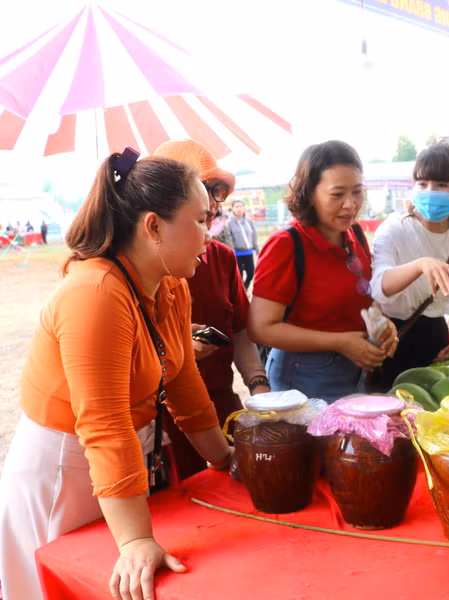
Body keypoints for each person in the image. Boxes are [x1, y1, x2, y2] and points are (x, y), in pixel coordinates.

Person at [0, 150, 233, 600]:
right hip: (66, 471)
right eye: (201, 220)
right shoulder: (96, 292)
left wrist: (224, 458)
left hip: (115, 468)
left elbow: (184, 384)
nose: (210, 233)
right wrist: (136, 539)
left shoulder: (171, 286)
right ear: (153, 226)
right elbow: (104, 424)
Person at [153, 140, 270, 480]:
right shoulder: (137, 276)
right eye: (200, 215)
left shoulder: (222, 258)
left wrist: (258, 385)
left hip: (218, 401)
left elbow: (240, 327)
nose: (213, 212)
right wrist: (179, 353)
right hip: (162, 416)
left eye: (214, 204)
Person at [248, 141, 398, 402]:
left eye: (357, 192)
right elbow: (260, 328)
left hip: (354, 370)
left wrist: (385, 326)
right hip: (303, 377)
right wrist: (340, 342)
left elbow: (365, 295)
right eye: (337, 195)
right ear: (309, 194)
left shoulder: (355, 234)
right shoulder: (286, 245)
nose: (350, 204)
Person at [370, 135, 449, 389]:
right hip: (390, 339)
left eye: (441, 184)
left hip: (435, 340)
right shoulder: (395, 229)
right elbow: (378, 285)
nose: (430, 191)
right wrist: (421, 265)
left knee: (430, 405)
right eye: (422, 183)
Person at [227, 200, 258, 288]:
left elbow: (254, 235)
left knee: (251, 273)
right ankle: (241, 291)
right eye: (236, 207)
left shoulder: (249, 222)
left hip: (249, 252)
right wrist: (231, 252)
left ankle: (245, 288)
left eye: (240, 206)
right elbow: (229, 239)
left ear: (244, 208)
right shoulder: (229, 223)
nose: (239, 208)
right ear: (232, 209)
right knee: (239, 275)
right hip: (237, 253)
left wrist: (257, 249)